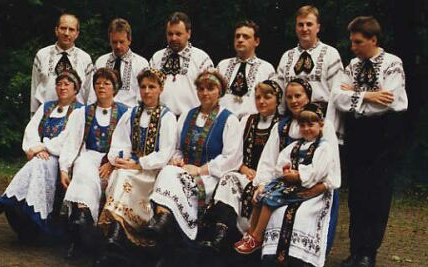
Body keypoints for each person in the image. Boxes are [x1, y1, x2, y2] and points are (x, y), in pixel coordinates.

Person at [331, 16, 408, 267]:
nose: (353, 47)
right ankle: (355, 250)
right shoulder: (353, 65)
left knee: (377, 195)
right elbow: (337, 98)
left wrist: (357, 98)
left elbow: (390, 101)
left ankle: (368, 253)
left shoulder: (392, 63)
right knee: (357, 195)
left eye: (358, 42)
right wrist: (368, 96)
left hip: (382, 135)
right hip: (357, 135)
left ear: (373, 40)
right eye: (352, 42)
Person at [144, 70, 242, 247]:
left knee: (176, 182)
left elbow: (231, 157)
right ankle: (162, 219)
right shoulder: (187, 115)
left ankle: (168, 227)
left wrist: (200, 169)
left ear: (219, 91)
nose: (205, 93)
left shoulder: (229, 120)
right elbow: (177, 148)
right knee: (168, 170)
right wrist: (178, 160)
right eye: (201, 88)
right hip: (185, 170)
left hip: (210, 176)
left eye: (210, 88)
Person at [0, 70, 83, 240]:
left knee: (38, 164)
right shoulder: (47, 107)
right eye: (59, 84)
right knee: (38, 164)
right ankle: (23, 211)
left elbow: (69, 138)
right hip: (42, 156)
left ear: (76, 89)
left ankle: (3, 202)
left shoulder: (80, 111)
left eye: (67, 84)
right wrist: (35, 148)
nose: (62, 87)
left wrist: (43, 147)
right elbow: (31, 130)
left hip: (63, 156)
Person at [95, 69, 177, 262]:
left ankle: (126, 236)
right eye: (143, 87)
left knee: (126, 178)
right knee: (120, 175)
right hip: (130, 167)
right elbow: (118, 142)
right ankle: (116, 233)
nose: (147, 91)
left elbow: (165, 152)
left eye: (152, 87)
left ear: (161, 89)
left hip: (152, 171)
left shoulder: (167, 117)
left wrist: (139, 164)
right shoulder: (132, 113)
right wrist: (120, 159)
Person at [234, 103, 337, 256]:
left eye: (311, 124)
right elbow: (282, 160)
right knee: (260, 196)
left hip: (307, 185)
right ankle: (250, 232)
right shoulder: (296, 145)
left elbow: (318, 171)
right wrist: (286, 169)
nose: (307, 129)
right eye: (303, 125)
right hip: (290, 180)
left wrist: (299, 174)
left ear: (321, 125)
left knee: (270, 199)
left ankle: (257, 237)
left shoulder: (323, 148)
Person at [258, 79, 340, 267]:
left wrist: (317, 188)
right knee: (277, 212)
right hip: (287, 186)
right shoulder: (281, 126)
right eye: (289, 97)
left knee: (302, 216)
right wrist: (264, 183)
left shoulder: (323, 125)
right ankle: (274, 258)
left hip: (318, 188)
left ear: (308, 97)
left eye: (298, 96)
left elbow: (332, 167)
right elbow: (269, 162)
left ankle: (302, 260)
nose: (294, 101)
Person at [201, 80, 282, 252]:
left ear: (278, 99)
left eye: (267, 97)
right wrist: (243, 168)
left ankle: (251, 238)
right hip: (245, 173)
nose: (262, 102)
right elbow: (235, 152)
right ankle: (220, 233)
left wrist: (263, 176)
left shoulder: (282, 125)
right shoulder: (247, 120)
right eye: (258, 97)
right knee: (228, 179)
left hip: (269, 178)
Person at [59, 68, 128, 258]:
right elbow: (72, 143)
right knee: (82, 169)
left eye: (106, 83)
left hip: (114, 161)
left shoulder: (125, 113)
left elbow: (128, 143)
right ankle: (81, 227)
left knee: (118, 180)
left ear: (115, 88)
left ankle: (109, 242)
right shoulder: (83, 113)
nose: (101, 86)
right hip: (89, 156)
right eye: (98, 83)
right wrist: (64, 169)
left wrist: (112, 162)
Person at [273, 5, 344, 140]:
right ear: (296, 28)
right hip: (293, 125)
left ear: (318, 27)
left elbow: (336, 96)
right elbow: (281, 97)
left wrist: (331, 132)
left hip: (319, 123)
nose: (304, 29)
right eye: (300, 25)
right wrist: (280, 125)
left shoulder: (330, 53)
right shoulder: (287, 56)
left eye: (309, 24)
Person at [149, 11, 214, 116]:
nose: (173, 38)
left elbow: (212, 94)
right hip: (160, 119)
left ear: (188, 33)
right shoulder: (156, 58)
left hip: (190, 120)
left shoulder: (202, 59)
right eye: (170, 34)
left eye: (178, 34)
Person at [30, 13, 94, 115]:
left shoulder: (85, 59)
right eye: (63, 28)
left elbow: (90, 94)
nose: (66, 33)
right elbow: (34, 88)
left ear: (77, 33)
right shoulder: (42, 55)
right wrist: (33, 116)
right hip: (45, 116)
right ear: (56, 30)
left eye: (71, 30)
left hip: (75, 117)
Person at [218, 20, 274, 119]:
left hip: (251, 125)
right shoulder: (222, 66)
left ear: (256, 41)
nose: (240, 39)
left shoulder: (266, 69)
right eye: (237, 36)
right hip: (222, 123)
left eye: (245, 37)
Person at [93, 18, 149, 107]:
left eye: (121, 42)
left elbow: (142, 96)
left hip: (130, 113)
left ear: (129, 40)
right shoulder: (101, 62)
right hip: (103, 112)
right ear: (109, 41)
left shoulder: (141, 64)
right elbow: (92, 94)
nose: (118, 46)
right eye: (114, 42)